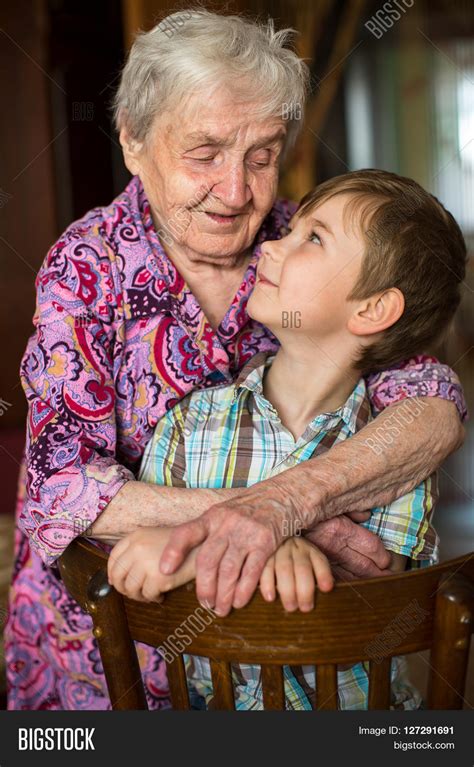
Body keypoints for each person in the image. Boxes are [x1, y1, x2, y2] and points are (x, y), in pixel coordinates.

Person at [6, 11, 465, 711]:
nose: (236, 190)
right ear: (133, 139)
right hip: (113, 656)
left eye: (262, 153)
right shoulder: (86, 266)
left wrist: (282, 505)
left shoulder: (295, 244)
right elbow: (61, 490)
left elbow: (432, 406)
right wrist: (265, 521)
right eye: (205, 152)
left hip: (297, 677)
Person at [108, 169, 466, 709]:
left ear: (371, 310)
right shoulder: (188, 422)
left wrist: (193, 554)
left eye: (313, 238)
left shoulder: (390, 454)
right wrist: (267, 550)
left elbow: (384, 600)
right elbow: (133, 567)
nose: (271, 246)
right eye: (291, 230)